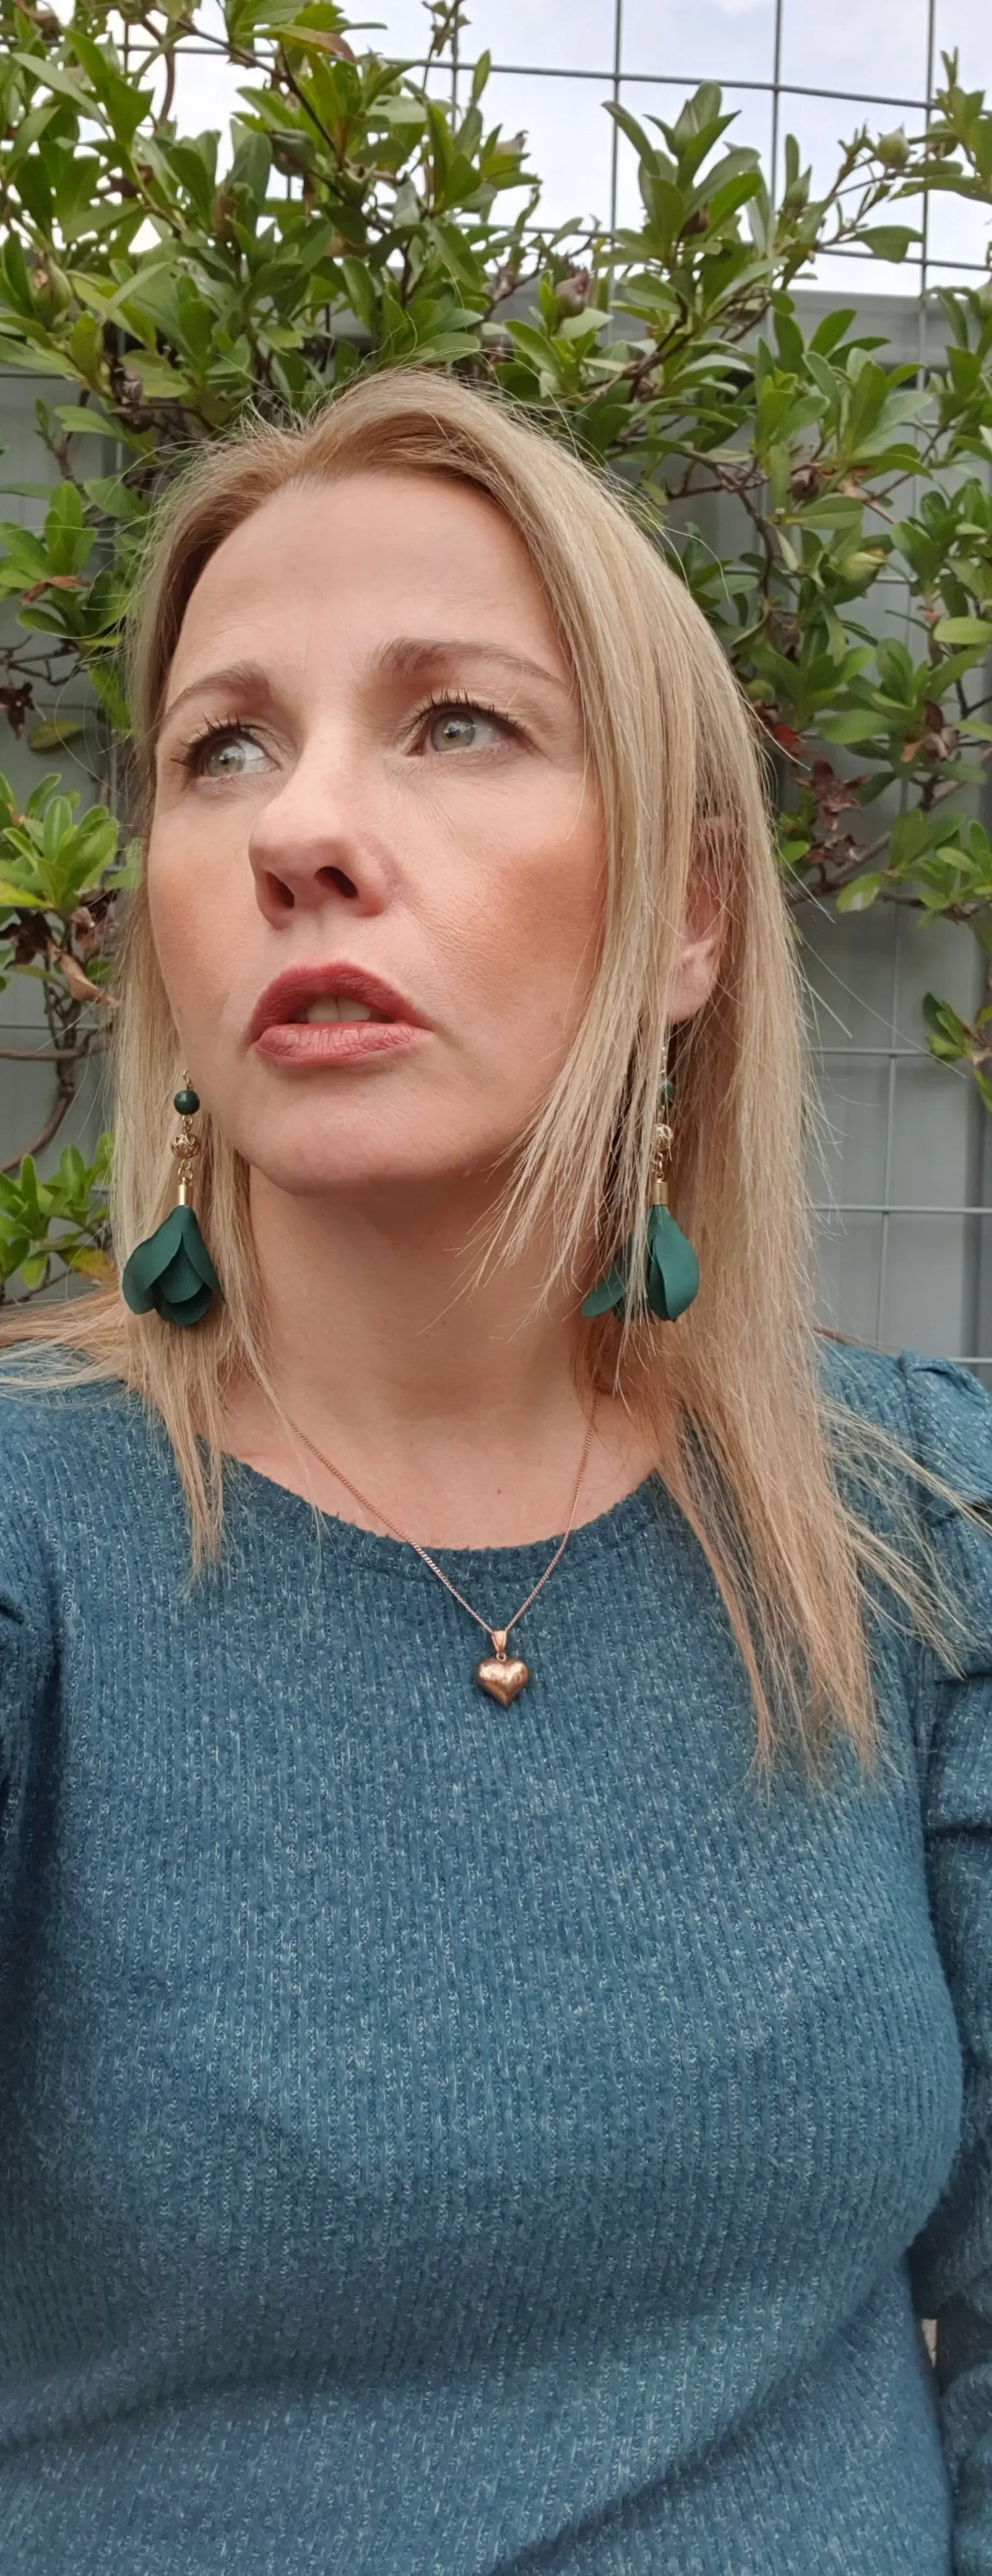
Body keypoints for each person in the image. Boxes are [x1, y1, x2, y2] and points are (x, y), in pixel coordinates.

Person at [0, 362, 989, 2576]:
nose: (297, 829)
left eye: (453, 722)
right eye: (221, 748)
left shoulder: (915, 1533)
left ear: (688, 920)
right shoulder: (36, 1548)